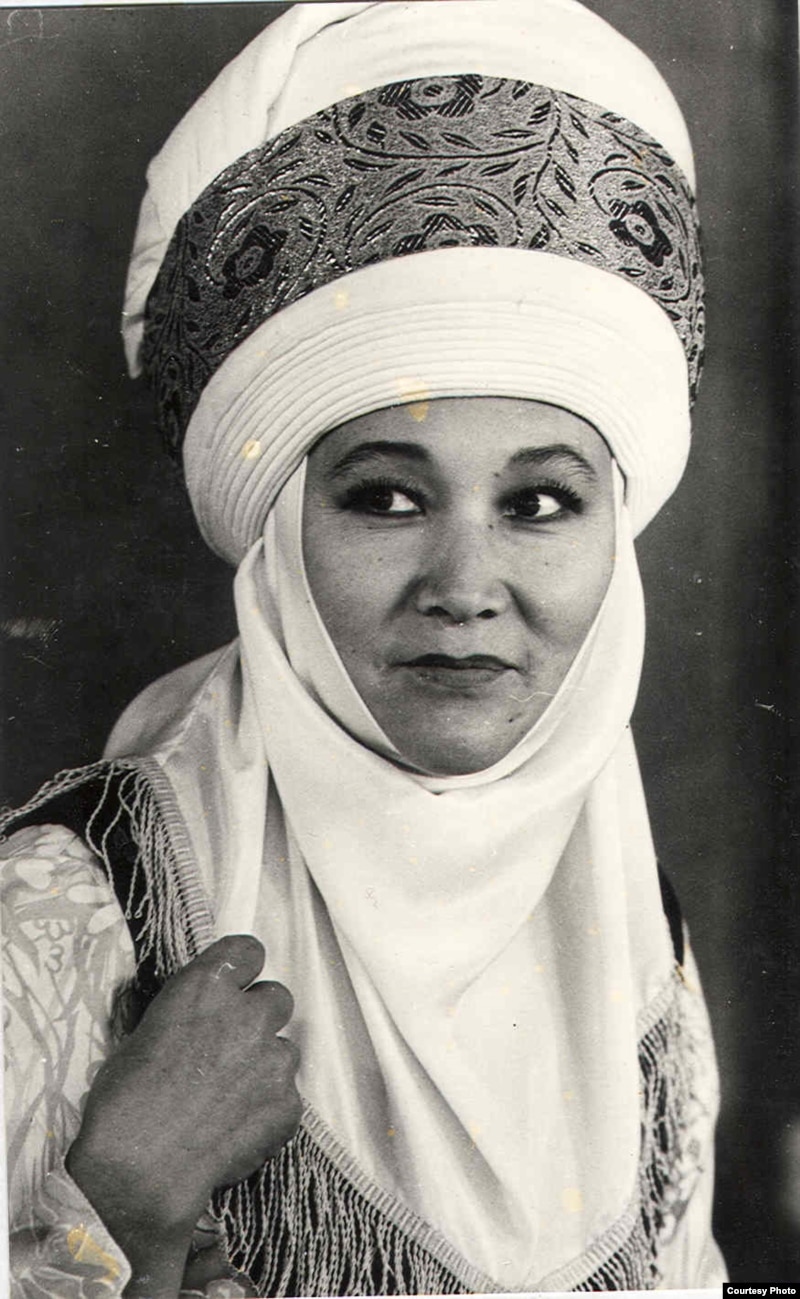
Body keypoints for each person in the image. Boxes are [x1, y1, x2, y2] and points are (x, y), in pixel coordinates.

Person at [1, 2, 726, 1295]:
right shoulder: (65, 919)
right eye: (386, 498)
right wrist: (118, 1208)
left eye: (538, 503)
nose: (465, 589)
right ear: (278, 536)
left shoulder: (628, 936)